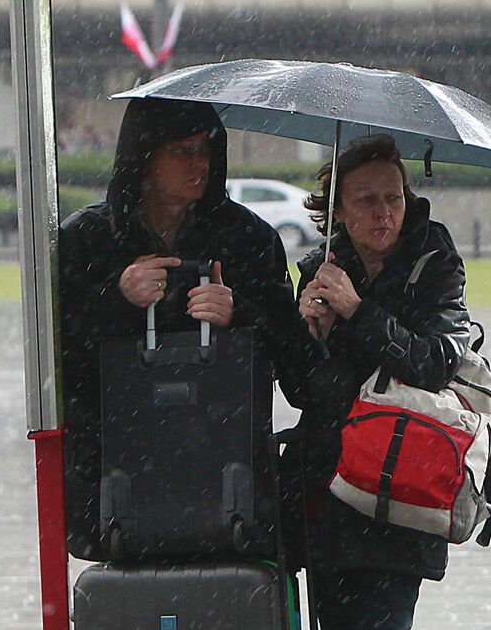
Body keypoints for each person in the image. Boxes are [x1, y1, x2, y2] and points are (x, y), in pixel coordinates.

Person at [57, 98, 310, 557]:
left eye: (206, 149)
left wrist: (239, 316)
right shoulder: (87, 240)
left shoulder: (249, 240)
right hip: (120, 479)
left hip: (226, 477)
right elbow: (58, 366)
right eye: (182, 151)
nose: (200, 163)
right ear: (142, 158)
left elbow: (296, 364)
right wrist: (117, 300)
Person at [289, 134, 471, 630]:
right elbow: (304, 393)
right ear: (338, 211)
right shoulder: (319, 271)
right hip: (331, 490)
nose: (383, 213)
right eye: (366, 200)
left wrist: (359, 312)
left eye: (393, 198)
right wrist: (311, 336)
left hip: (400, 487)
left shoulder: (434, 261)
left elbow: (435, 363)